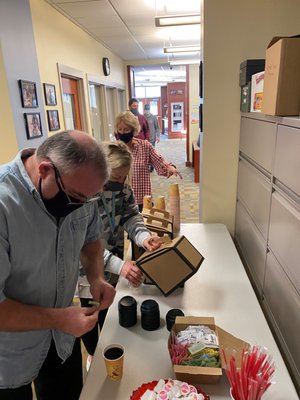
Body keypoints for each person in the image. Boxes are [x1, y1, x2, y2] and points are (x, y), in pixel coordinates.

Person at [0, 130, 116, 400]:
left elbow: (90, 238)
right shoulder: (4, 205)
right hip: (10, 352)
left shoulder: (79, 188)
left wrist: (96, 277)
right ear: (45, 169)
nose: (81, 206)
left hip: (62, 338)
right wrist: (59, 318)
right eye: (75, 197)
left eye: (87, 200)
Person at [78, 141, 161, 364]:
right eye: (115, 179)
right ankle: (93, 356)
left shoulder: (123, 189)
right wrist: (119, 265)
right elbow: (82, 245)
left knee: (107, 307)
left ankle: (106, 350)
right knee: (90, 311)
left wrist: (144, 238)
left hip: (112, 257)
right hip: (85, 269)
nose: (121, 183)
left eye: (124, 178)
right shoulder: (83, 196)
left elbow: (131, 216)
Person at [115, 111, 182, 211]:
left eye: (126, 130)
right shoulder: (113, 149)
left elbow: (159, 161)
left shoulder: (145, 146)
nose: (122, 133)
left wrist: (170, 167)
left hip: (142, 200)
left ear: (133, 130)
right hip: (120, 201)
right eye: (120, 129)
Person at [144, 103, 161, 172]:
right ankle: (146, 165)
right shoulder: (142, 117)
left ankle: (151, 166)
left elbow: (157, 127)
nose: (147, 111)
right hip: (144, 139)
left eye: (148, 110)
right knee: (145, 153)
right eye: (146, 110)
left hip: (152, 139)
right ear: (144, 110)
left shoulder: (153, 117)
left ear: (149, 110)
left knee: (151, 153)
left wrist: (158, 136)